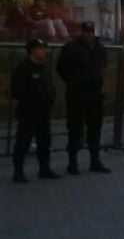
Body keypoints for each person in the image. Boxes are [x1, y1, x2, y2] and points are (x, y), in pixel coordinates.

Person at [56, 21, 111, 174]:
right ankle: (72, 163)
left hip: (94, 93)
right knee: (75, 128)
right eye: (86, 31)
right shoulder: (71, 48)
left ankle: (95, 161)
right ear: (82, 32)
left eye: (91, 31)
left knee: (95, 128)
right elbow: (61, 68)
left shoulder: (100, 48)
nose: (89, 34)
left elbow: (103, 65)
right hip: (77, 93)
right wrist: (74, 80)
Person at [11, 39, 60, 183]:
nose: (43, 51)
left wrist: (51, 96)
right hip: (28, 112)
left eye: (43, 48)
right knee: (23, 142)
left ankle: (44, 169)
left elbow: (50, 85)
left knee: (45, 141)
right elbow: (16, 91)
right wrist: (32, 99)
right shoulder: (23, 69)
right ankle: (18, 172)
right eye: (40, 48)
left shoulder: (44, 68)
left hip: (44, 111)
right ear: (32, 50)